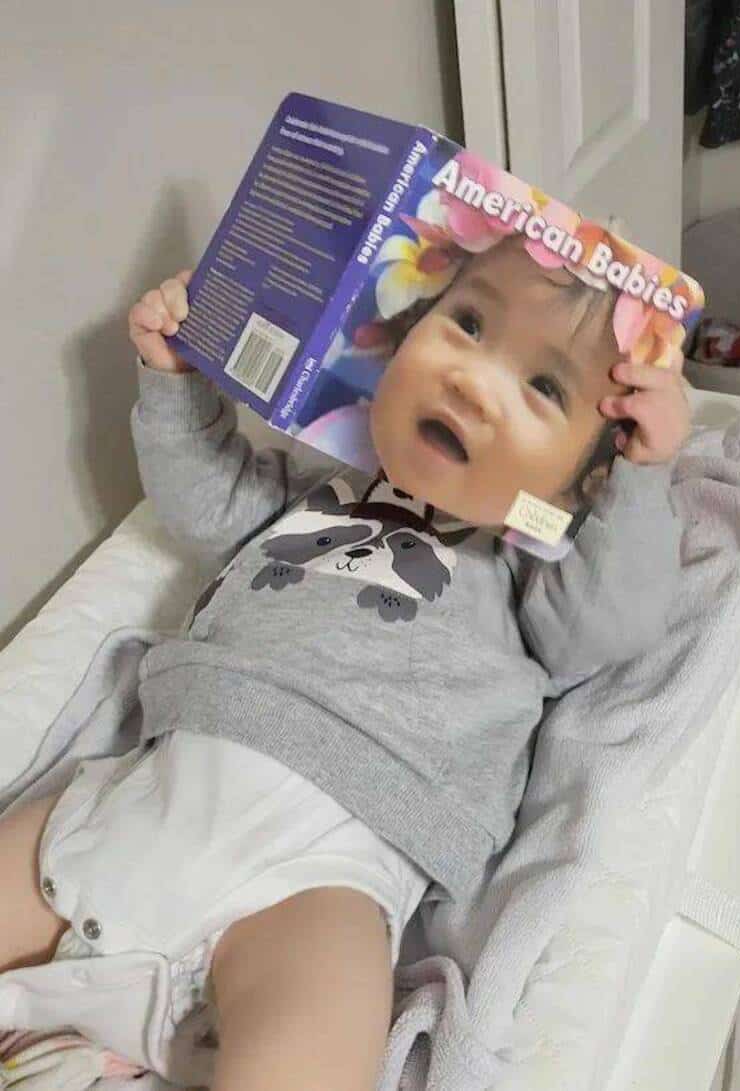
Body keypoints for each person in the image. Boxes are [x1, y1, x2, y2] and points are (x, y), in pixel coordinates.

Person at [0, 233, 689, 1091]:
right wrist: (174, 379)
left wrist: (643, 479)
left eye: (543, 387)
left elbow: (613, 623)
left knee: (308, 1055)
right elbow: (202, 501)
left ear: (580, 484)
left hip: (319, 880)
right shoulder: (316, 488)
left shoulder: (529, 574)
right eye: (468, 324)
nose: (471, 381)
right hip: (144, 799)